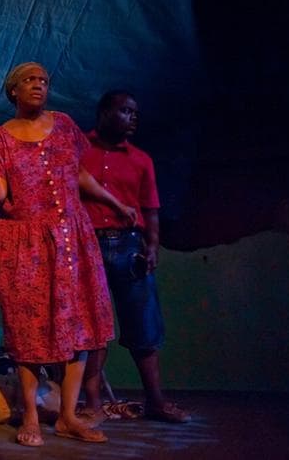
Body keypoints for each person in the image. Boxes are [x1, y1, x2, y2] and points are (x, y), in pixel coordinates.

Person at [0, 62, 136, 447]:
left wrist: (114, 201)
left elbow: (78, 174)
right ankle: (30, 413)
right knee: (28, 326)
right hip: (25, 240)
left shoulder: (64, 125)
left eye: (44, 81)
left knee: (80, 325)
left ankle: (68, 415)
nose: (38, 86)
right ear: (13, 91)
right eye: (30, 80)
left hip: (72, 236)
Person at [80, 90, 191, 424]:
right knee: (94, 329)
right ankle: (93, 404)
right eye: (125, 111)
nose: (133, 118)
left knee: (144, 326)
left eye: (135, 113)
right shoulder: (78, 149)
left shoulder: (142, 159)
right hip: (90, 245)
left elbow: (151, 208)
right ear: (104, 112)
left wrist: (152, 247)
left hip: (130, 247)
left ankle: (155, 401)